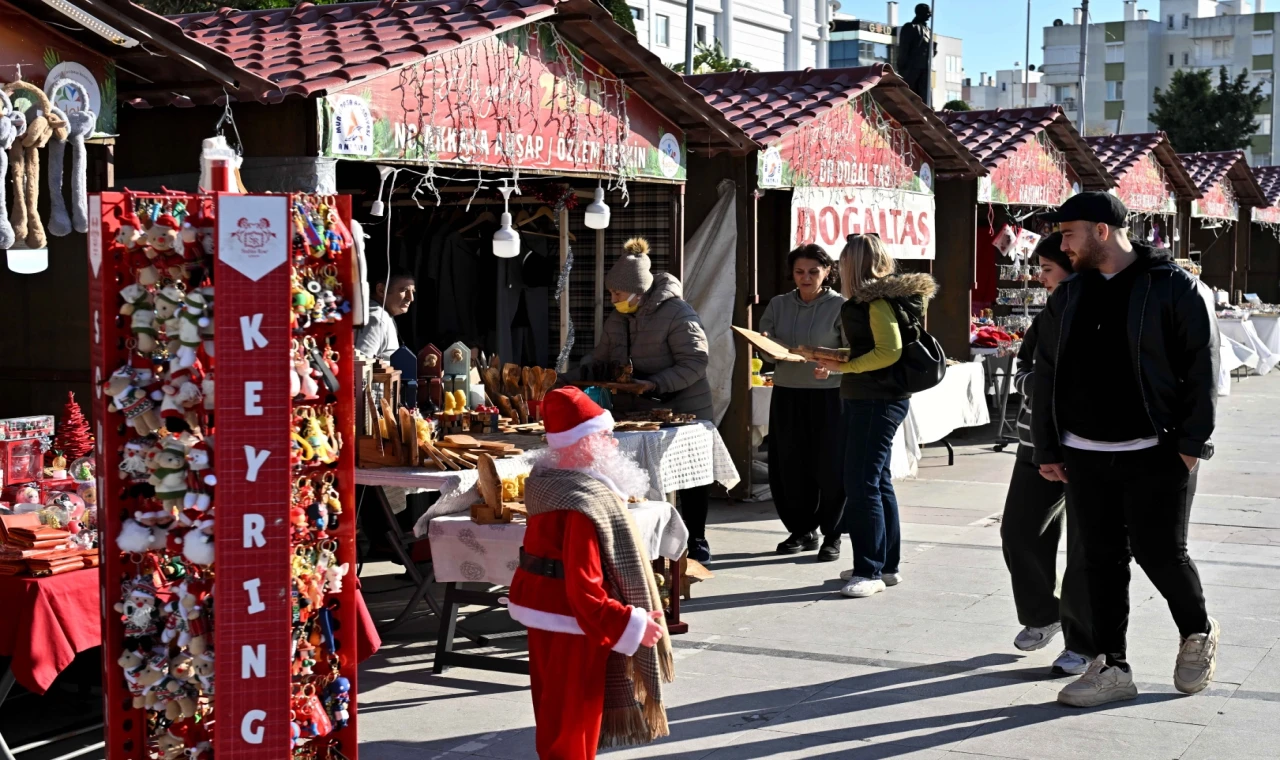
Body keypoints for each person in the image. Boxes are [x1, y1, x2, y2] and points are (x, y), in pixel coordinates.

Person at [1033, 192, 1219, 707]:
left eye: (1069, 234)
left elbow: (1201, 367)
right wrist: (1047, 446)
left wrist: (1189, 446)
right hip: (1085, 452)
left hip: (1155, 449)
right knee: (1100, 559)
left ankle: (1197, 631)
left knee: (1160, 553)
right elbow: (1046, 371)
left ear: (1100, 231)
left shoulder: (1171, 286)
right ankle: (1111, 666)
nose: (1062, 245)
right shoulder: (1069, 295)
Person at [508, 387, 673, 759]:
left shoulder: (546, 481)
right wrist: (632, 623)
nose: (612, 442)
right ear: (583, 444)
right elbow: (585, 591)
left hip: (545, 612)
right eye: (603, 434)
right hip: (571, 623)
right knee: (573, 727)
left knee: (555, 717)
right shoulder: (582, 502)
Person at [582, 237, 715, 562]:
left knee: (690, 478)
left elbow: (696, 362)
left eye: (617, 293)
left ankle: (696, 539)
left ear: (638, 292)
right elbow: (601, 357)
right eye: (611, 293)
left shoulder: (677, 313)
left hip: (685, 407)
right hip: (637, 408)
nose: (612, 299)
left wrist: (654, 383)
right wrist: (572, 377)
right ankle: (642, 542)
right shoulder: (618, 318)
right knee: (637, 476)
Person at [817, 233, 935, 599]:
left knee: (861, 482)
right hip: (874, 399)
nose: (837, 268)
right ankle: (885, 565)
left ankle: (869, 570)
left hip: (875, 401)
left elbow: (888, 352)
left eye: (841, 262)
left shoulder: (872, 302)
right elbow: (874, 348)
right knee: (877, 480)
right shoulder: (878, 300)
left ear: (851, 265)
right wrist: (834, 358)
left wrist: (845, 366)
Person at [1000, 233, 1093, 676]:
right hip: (1034, 445)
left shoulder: (1098, 308)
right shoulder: (1048, 313)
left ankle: (1083, 643)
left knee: (1085, 550)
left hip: (1087, 448)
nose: (1039, 277)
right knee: (1019, 532)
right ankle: (1043, 613)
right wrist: (1037, 384)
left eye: (1047, 269)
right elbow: (1025, 367)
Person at [758, 244, 846, 561]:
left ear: (827, 272)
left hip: (829, 395)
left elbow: (851, 353)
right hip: (787, 391)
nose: (805, 277)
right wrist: (771, 347)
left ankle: (833, 534)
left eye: (813, 271)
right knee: (789, 465)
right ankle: (801, 530)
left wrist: (832, 365)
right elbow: (764, 344)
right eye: (799, 271)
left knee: (831, 466)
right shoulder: (779, 304)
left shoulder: (841, 306)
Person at [356, 268, 415, 360]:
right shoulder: (376, 318)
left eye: (412, 292)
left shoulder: (382, 315)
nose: (411, 298)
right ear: (381, 290)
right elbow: (359, 365)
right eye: (404, 290)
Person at [897, 3, 936, 104]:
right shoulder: (910, 27)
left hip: (925, 68)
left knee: (926, 96)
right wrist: (902, 67)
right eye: (928, 13)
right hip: (913, 68)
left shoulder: (928, 30)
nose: (930, 15)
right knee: (910, 96)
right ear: (920, 13)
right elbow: (904, 48)